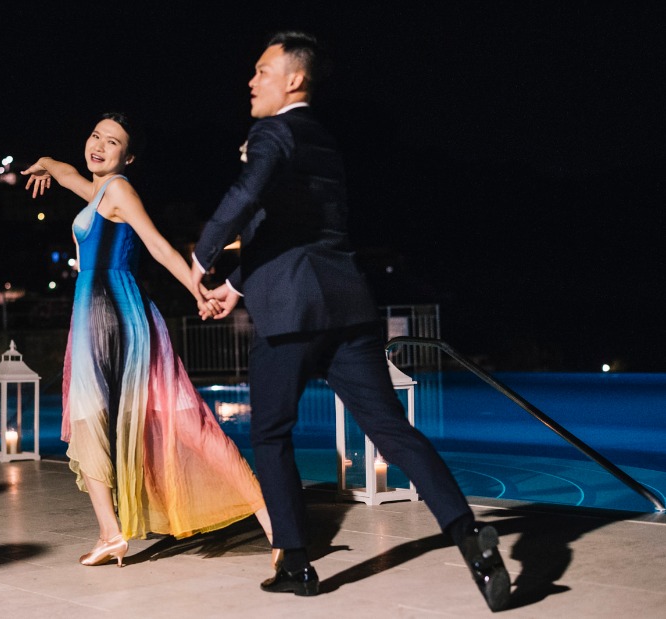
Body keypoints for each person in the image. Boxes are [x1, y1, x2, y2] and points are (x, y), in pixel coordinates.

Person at [191, 32, 511, 610]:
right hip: (347, 306)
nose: (251, 80)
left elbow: (248, 192)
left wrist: (204, 253)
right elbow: (293, 229)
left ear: (294, 79)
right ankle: (470, 538)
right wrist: (237, 286)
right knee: (393, 432)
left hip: (292, 314)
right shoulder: (323, 141)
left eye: (262, 70)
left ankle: (294, 562)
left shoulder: (272, 132)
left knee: (269, 432)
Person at [21, 113, 273, 567]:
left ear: (128, 157)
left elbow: (156, 243)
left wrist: (197, 287)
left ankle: (272, 517)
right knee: (96, 417)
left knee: (153, 415)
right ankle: (110, 534)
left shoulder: (117, 190)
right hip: (97, 310)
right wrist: (44, 162)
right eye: (95, 135)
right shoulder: (97, 191)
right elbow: (66, 173)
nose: (98, 145)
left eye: (112, 142)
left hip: (110, 309)